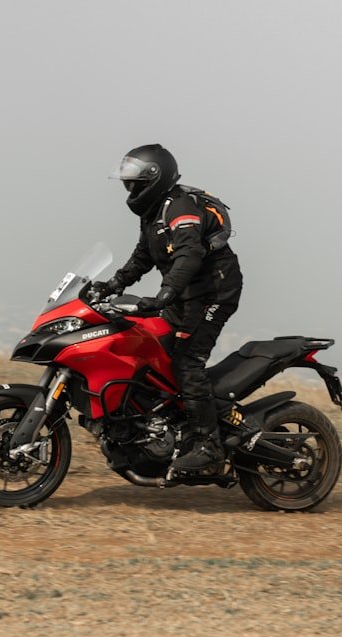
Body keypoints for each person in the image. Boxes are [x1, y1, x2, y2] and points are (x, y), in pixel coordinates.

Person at [94, 143, 244, 474]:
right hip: (185, 295)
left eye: (133, 184)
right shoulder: (153, 213)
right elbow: (143, 256)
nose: (129, 190)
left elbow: (188, 255)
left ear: (153, 179)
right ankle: (168, 429)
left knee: (187, 361)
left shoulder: (180, 208)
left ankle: (208, 445)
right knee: (155, 353)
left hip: (213, 293)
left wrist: (164, 295)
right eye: (127, 184)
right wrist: (112, 285)